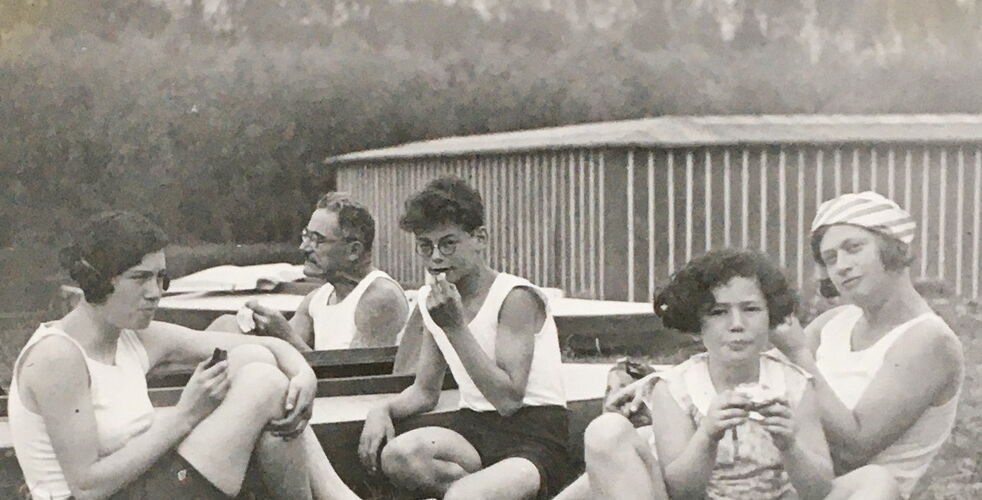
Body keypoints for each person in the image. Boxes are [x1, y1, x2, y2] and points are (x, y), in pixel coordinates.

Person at [8, 211, 358, 500]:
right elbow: (86, 487)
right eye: (140, 278)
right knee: (265, 383)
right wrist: (186, 415)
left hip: (139, 485)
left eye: (160, 278)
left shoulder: (132, 337)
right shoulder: (57, 357)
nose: (155, 293)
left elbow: (267, 347)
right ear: (96, 279)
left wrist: (304, 376)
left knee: (257, 365)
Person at [357, 177, 571, 499]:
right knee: (398, 456)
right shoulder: (434, 300)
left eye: (448, 244)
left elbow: (508, 400)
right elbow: (425, 391)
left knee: (463, 496)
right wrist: (381, 410)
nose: (436, 257)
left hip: (535, 435)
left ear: (479, 238)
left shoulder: (515, 297)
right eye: (425, 246)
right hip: (474, 429)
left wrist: (455, 327)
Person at [769, 191, 964, 499]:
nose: (842, 266)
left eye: (854, 248)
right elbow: (761, 380)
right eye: (831, 258)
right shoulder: (833, 323)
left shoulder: (929, 340)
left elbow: (854, 449)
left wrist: (796, 354)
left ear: (892, 247)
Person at [209, 192, 410, 351]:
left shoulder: (380, 298)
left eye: (317, 240)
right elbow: (286, 352)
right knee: (226, 325)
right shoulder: (317, 299)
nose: (303, 248)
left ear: (353, 251)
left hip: (350, 392)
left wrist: (285, 335)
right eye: (306, 236)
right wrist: (263, 327)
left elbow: (358, 378)